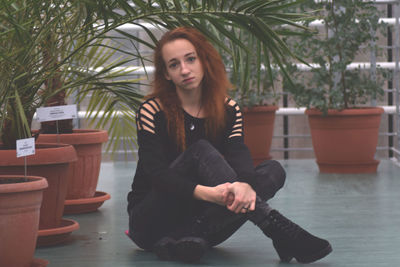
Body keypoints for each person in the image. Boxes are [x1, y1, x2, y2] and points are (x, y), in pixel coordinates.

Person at [127, 26, 332, 264]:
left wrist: (244, 184)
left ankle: (190, 236)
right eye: (174, 65)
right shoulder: (152, 111)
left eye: (191, 59)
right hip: (150, 222)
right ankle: (278, 230)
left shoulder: (228, 108)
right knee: (200, 151)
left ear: (204, 60)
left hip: (207, 222)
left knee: (273, 171)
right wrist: (209, 194)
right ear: (166, 74)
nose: (184, 70)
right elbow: (157, 174)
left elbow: (238, 151)